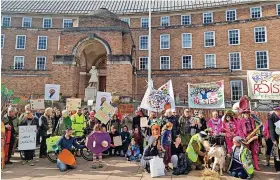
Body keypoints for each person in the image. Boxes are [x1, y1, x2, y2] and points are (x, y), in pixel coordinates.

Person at [268, 106, 280, 172]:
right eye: (277, 111)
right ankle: (277, 168)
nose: (278, 112)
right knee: (276, 153)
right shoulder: (271, 117)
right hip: (275, 137)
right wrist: (273, 139)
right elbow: (271, 129)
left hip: (279, 137)